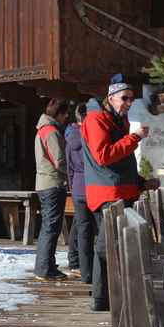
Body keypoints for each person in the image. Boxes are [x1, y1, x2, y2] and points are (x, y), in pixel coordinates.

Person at [82, 75, 158, 311]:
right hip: (107, 194)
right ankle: (101, 298)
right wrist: (134, 138)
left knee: (117, 245)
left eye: (131, 100)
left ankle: (112, 295)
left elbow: (121, 162)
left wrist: (140, 183)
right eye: (124, 98)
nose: (128, 103)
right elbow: (103, 156)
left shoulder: (116, 120)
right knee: (106, 247)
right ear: (111, 97)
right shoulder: (96, 119)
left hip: (119, 191)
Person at [33, 98, 70, 281]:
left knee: (48, 226)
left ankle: (45, 265)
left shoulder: (42, 129)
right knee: (51, 227)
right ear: (59, 114)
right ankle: (44, 269)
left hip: (44, 182)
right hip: (53, 183)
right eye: (65, 114)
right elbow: (59, 161)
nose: (66, 118)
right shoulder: (51, 132)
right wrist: (72, 172)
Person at [65, 103, 93, 283]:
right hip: (91, 185)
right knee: (93, 229)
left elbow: (68, 166)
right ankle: (91, 269)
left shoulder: (69, 137)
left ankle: (82, 268)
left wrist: (72, 186)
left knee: (81, 228)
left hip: (77, 187)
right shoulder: (89, 135)